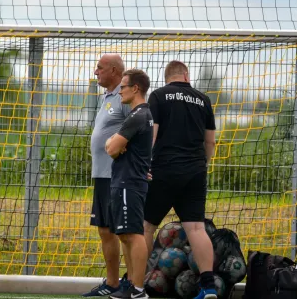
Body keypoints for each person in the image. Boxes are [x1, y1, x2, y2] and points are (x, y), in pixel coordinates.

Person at [143, 61, 217, 299]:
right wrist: (202, 165)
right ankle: (209, 287)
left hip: (163, 170)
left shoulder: (158, 96)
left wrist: (143, 165)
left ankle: (135, 282)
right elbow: (210, 142)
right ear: (186, 75)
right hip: (195, 171)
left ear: (167, 78)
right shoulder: (203, 99)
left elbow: (150, 135)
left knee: (146, 226)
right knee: (196, 228)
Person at [83, 54, 132, 297]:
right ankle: (112, 284)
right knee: (105, 230)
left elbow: (140, 130)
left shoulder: (125, 97)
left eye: (99, 68)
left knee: (124, 232)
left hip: (118, 176)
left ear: (114, 70)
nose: (95, 72)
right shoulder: (106, 97)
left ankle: (132, 284)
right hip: (101, 176)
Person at [105, 69, 153, 299]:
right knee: (125, 234)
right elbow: (113, 146)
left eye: (123, 87)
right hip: (126, 181)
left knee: (133, 234)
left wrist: (112, 144)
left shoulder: (138, 115)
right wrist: (112, 143)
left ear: (135, 88)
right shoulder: (139, 115)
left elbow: (113, 149)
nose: (120, 91)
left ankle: (138, 290)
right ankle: (132, 285)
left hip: (129, 182)